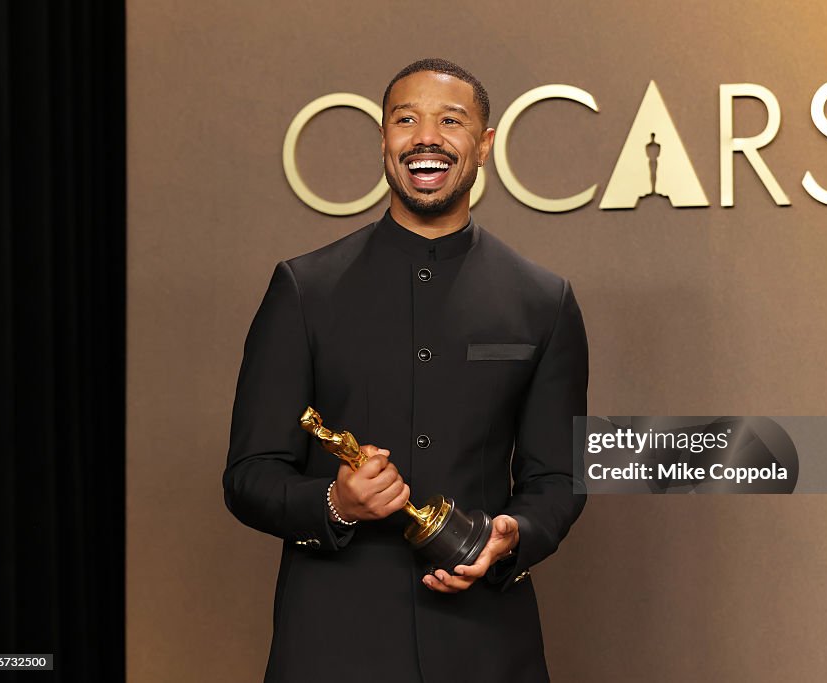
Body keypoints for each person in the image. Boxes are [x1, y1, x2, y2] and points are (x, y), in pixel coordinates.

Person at [223, 58, 588, 683]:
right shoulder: (303, 289)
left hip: (486, 645)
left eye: (451, 120)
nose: (426, 137)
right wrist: (335, 502)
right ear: (384, 141)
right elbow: (249, 475)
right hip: (331, 644)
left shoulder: (543, 300)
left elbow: (558, 476)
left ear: (485, 145)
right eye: (405, 120)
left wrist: (513, 536)